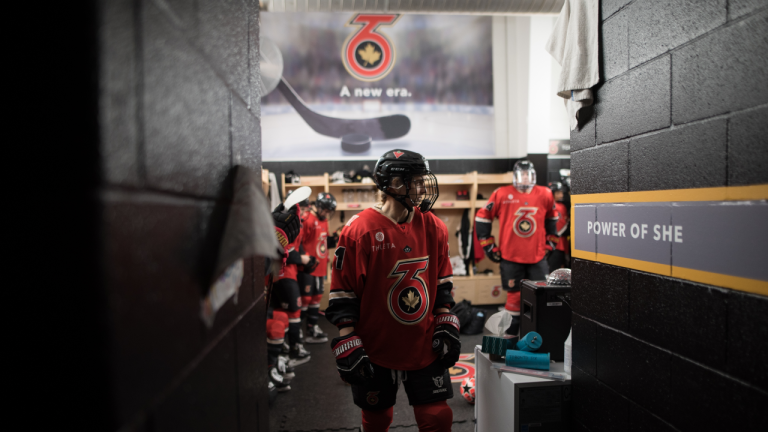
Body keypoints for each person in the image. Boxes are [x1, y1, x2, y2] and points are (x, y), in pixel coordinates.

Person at [325, 149, 460, 432]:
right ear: (394, 183)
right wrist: (347, 337)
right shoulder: (358, 230)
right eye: (416, 181)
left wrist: (445, 316)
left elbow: (441, 281)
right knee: (376, 419)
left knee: (437, 417)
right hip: (375, 344)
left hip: (423, 341)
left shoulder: (434, 226)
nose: (423, 187)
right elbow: (344, 292)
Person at [475, 160, 559, 336]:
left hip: (537, 257)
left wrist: (550, 243)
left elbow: (553, 219)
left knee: (541, 298)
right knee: (514, 300)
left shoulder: (545, 193)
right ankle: (509, 340)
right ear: (515, 176)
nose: (526, 178)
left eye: (529, 174)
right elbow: (482, 217)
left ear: (533, 175)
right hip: (511, 257)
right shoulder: (501, 193)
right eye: (523, 174)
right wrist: (488, 245)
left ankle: (539, 340)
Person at [272, 194, 318, 367]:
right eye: (303, 208)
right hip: (283, 274)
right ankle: (293, 351)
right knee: (294, 311)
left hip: (288, 273)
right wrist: (303, 260)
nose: (306, 212)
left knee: (286, 312)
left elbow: (297, 247)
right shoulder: (286, 222)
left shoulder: (297, 222)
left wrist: (305, 260)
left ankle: (287, 349)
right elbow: (286, 251)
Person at [299, 192, 337, 344]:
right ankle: (298, 331)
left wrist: (334, 238)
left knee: (316, 298)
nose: (327, 213)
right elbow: (299, 242)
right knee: (305, 299)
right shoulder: (307, 219)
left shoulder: (324, 220)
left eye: (329, 211)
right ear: (319, 207)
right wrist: (305, 259)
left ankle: (312, 327)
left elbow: (323, 241)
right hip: (308, 267)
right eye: (326, 210)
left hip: (320, 266)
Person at [546, 182, 570, 272]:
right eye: (558, 193)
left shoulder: (562, 206)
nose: (561, 195)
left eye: (562, 192)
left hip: (561, 243)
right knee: (553, 270)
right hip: (553, 243)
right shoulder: (552, 206)